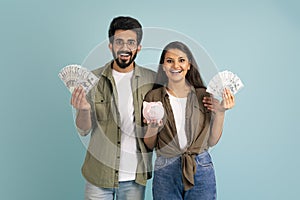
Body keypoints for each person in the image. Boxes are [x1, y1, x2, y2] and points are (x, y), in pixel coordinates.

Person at [71, 16, 156, 200]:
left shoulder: (152, 80)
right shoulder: (92, 79)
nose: (125, 48)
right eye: (119, 42)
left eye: (131, 42)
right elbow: (84, 129)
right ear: (110, 45)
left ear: (138, 47)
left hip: (134, 178)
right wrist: (84, 110)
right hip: (98, 175)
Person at [143, 41, 235, 199]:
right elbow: (150, 144)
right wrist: (152, 127)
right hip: (165, 168)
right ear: (163, 66)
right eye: (169, 61)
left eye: (181, 60)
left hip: (200, 166)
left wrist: (220, 113)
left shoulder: (203, 95)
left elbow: (211, 141)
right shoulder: (154, 96)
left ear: (189, 65)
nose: (175, 65)